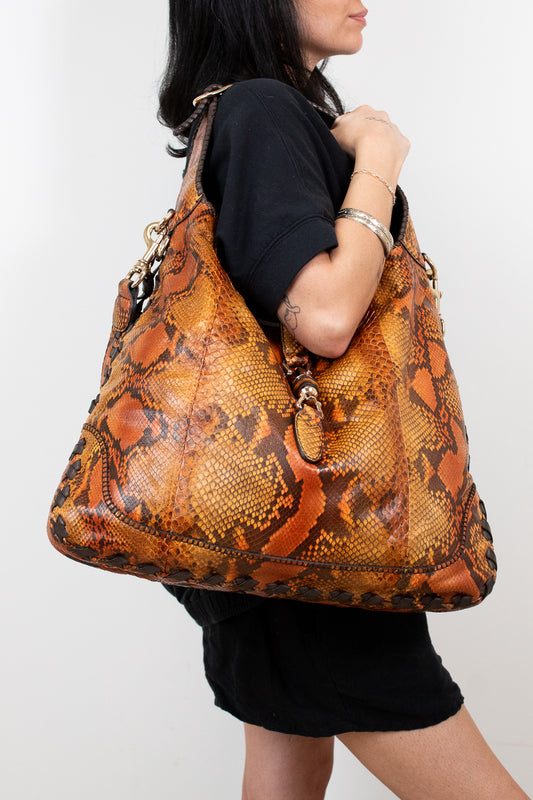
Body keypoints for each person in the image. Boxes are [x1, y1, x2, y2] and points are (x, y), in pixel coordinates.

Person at [158, 2, 530, 798]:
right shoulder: (260, 108)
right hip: (311, 534)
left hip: (271, 521)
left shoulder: (264, 111)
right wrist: (378, 161)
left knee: (290, 761)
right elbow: (325, 316)